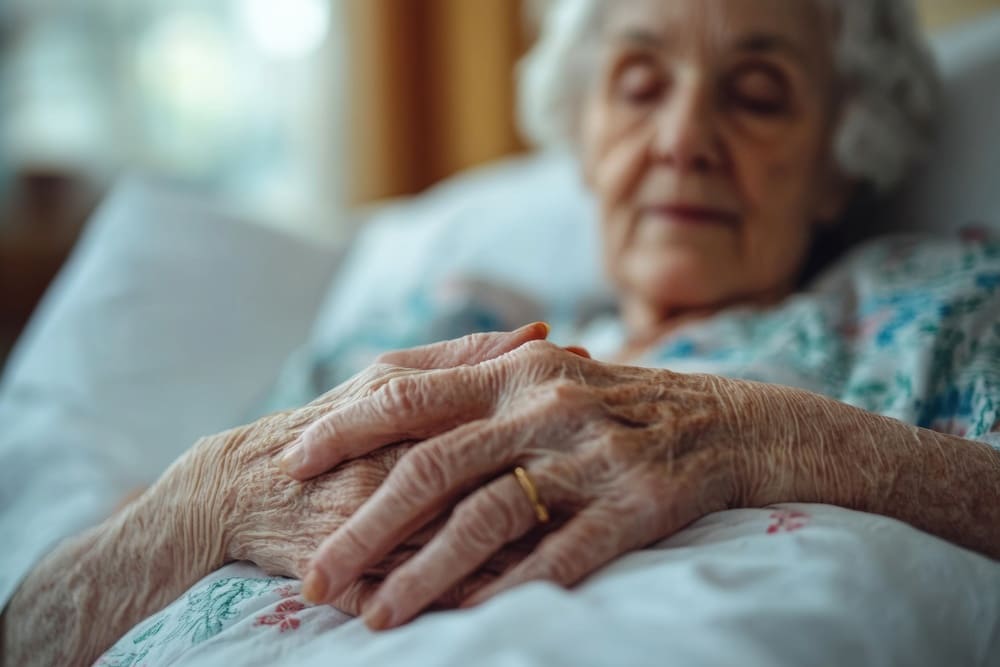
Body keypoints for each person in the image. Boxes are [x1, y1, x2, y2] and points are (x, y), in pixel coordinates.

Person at [3, 0, 1000, 663]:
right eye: (640, 84)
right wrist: (211, 489)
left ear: (842, 159)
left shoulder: (930, 308)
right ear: (585, 132)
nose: (683, 138)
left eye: (755, 95)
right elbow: (30, 634)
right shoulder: (421, 330)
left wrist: (757, 433)